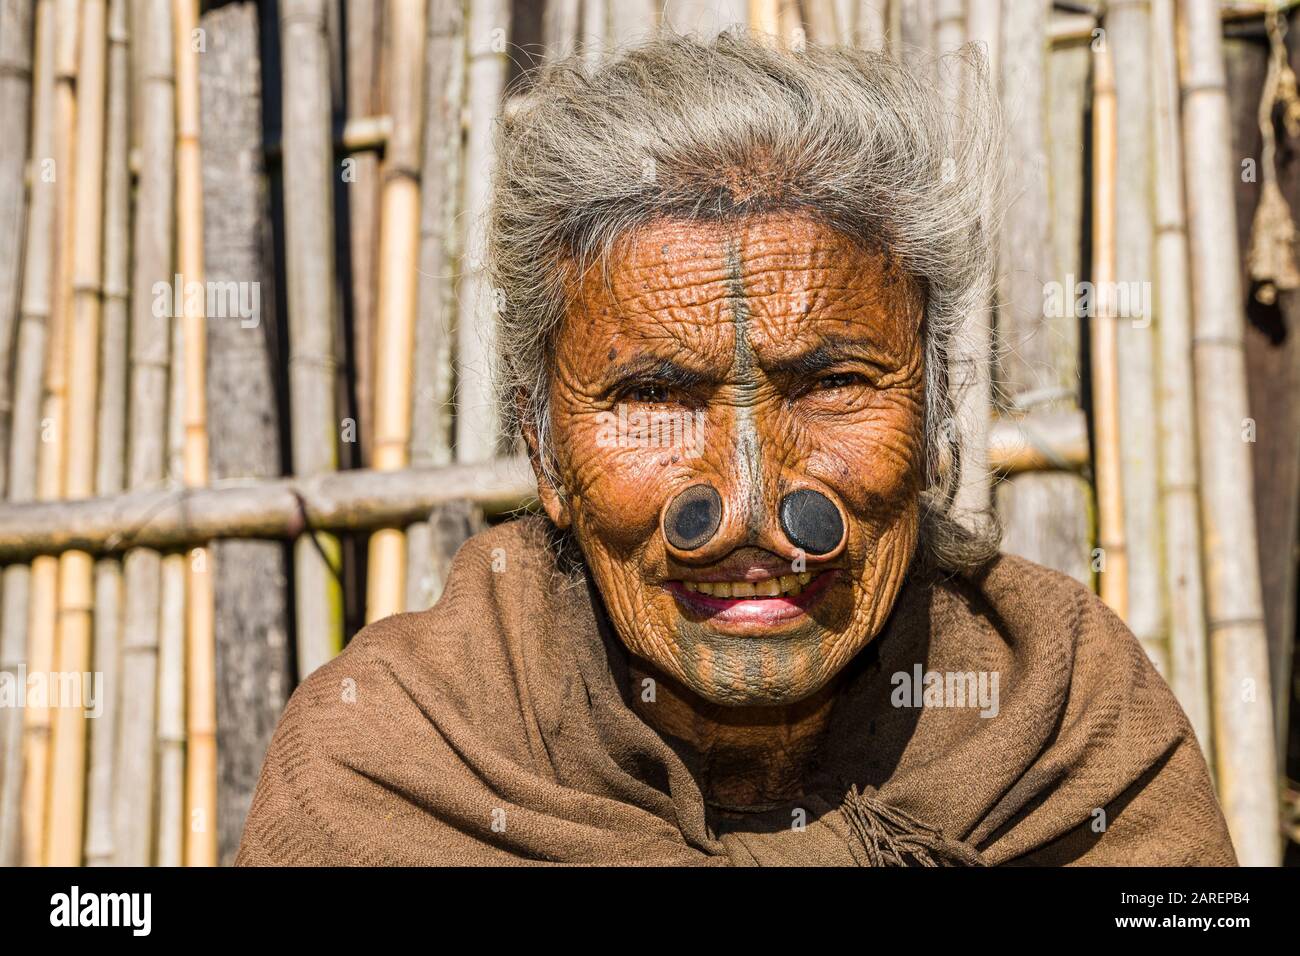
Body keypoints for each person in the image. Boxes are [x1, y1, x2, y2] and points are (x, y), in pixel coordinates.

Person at [237, 30, 1236, 866]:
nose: (752, 508)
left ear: (938, 417)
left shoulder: (1061, 718)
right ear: (544, 455)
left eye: (833, 383)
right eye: (654, 396)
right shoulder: (399, 761)